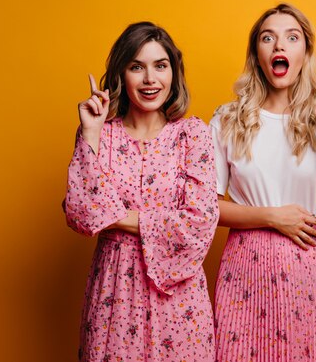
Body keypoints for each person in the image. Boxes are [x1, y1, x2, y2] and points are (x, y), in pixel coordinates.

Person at [210, 4, 316, 362]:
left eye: (292, 37)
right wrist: (273, 217)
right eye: (268, 38)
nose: (280, 45)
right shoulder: (227, 119)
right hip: (244, 270)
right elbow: (209, 208)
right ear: (257, 54)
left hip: (308, 267)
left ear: (304, 52)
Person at [63, 22, 219, 362]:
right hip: (113, 294)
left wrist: (115, 217)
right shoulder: (100, 135)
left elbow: (200, 223)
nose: (150, 79)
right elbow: (79, 213)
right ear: (121, 73)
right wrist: (90, 134)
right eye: (137, 66)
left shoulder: (192, 135)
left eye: (160, 66)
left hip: (179, 299)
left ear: (173, 74)